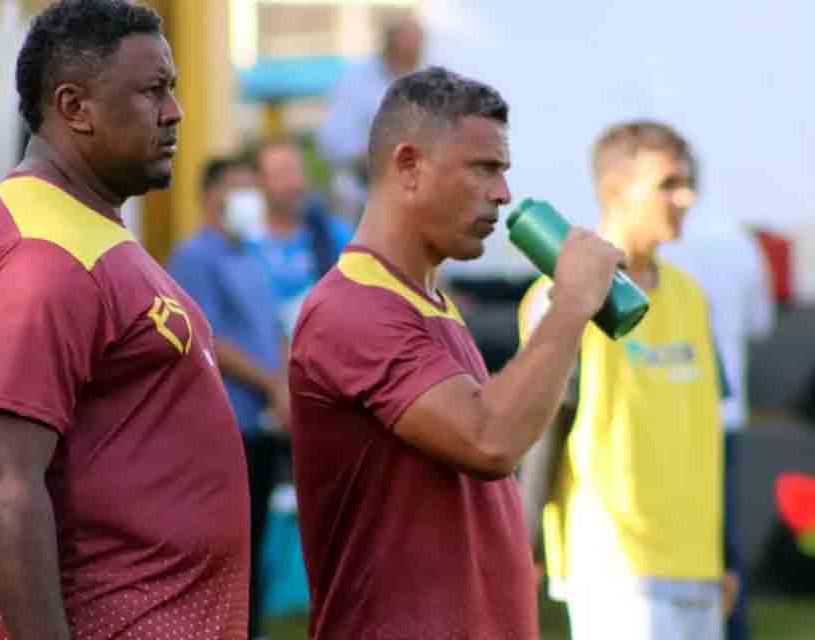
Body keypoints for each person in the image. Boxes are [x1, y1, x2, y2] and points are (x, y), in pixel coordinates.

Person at [0, 2, 250, 639]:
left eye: (174, 89)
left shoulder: (86, 224)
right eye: (151, 91)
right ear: (74, 107)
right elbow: (3, 480)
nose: (175, 112)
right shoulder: (38, 257)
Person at [287, 66, 624, 638]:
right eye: (483, 168)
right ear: (409, 166)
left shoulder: (429, 303)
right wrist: (569, 304)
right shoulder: (355, 310)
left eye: (503, 171)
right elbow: (489, 439)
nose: (503, 193)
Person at [518, 120, 736, 640]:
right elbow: (542, 430)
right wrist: (521, 550)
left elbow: (708, 435)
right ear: (615, 189)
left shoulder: (691, 296)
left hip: (696, 567)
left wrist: (726, 554)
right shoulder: (563, 294)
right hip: (613, 566)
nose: (686, 197)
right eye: (668, 184)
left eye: (688, 183)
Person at [165, 155, 288, 640]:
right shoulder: (195, 258)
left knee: (253, 544)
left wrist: (284, 386)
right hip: (224, 429)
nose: (248, 199)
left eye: (251, 188)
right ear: (210, 197)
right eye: (237, 188)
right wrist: (271, 383)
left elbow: (273, 328)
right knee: (224, 548)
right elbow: (208, 336)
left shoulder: (252, 257)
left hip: (261, 426)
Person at [660, 213, 775, 640]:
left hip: (666, 417)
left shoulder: (657, 246)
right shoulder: (742, 244)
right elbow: (759, 323)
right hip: (722, 417)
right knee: (722, 536)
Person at [317, 15, 424, 219]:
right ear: (389, 46)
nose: (413, 56)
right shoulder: (355, 81)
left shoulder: (426, 81)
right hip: (361, 201)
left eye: (416, 49)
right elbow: (331, 140)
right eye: (407, 49)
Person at [251, 138, 353, 338]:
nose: (293, 183)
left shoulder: (332, 235)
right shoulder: (244, 241)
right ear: (260, 182)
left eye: (296, 171)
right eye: (281, 174)